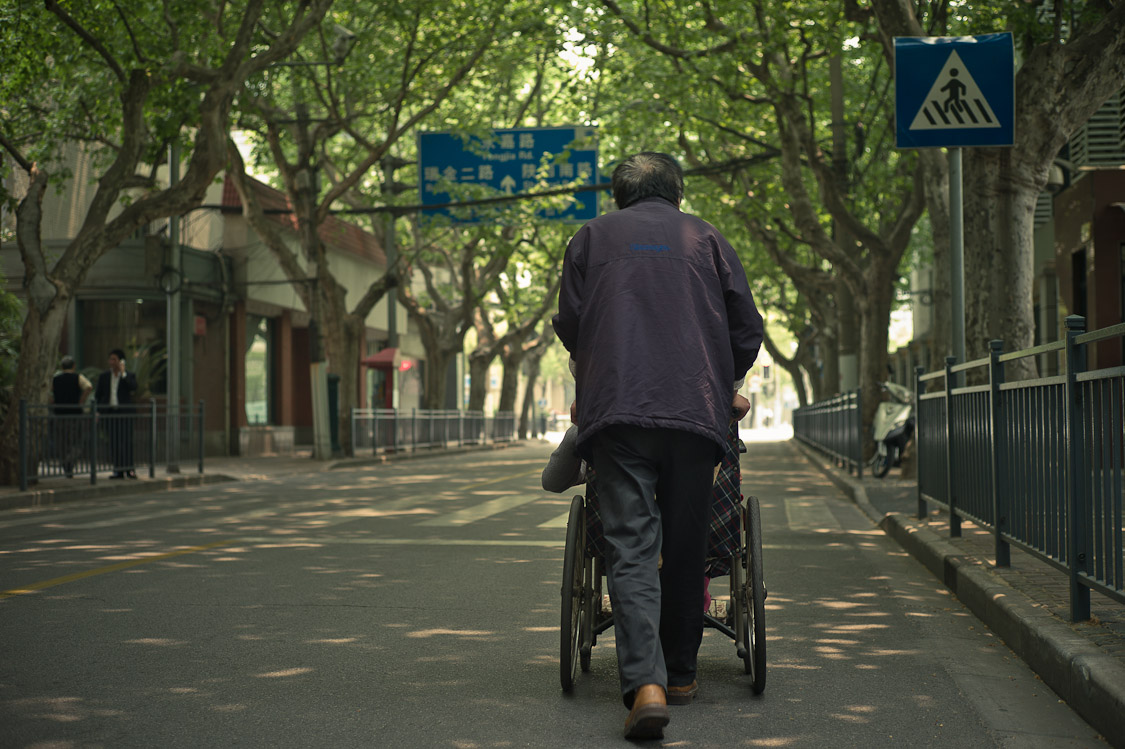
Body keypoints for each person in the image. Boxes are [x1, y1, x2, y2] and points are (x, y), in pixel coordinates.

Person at [553, 152, 763, 740]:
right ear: (676, 191)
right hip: (696, 414)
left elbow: (569, 321)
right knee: (688, 540)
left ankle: (645, 683)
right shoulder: (707, 237)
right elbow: (746, 328)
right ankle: (683, 675)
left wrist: (597, 355)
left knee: (632, 547)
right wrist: (725, 383)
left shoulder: (591, 237)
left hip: (618, 413)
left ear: (620, 193)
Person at [95, 348, 138, 479]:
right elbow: (99, 395)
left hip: (124, 414)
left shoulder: (128, 376)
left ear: (121, 361)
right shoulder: (104, 377)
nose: (111, 362)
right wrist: (98, 411)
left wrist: (123, 373)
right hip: (110, 413)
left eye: (114, 359)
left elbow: (133, 387)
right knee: (114, 442)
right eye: (110, 359)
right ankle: (118, 470)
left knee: (126, 442)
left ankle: (129, 469)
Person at [51, 355, 93, 478]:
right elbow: (89, 387)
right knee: (77, 441)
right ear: (74, 366)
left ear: (62, 366)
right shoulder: (78, 377)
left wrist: (53, 401)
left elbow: (48, 390)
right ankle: (69, 462)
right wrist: (81, 401)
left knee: (62, 442)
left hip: (59, 414)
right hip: (74, 414)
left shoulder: (56, 379)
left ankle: (66, 465)